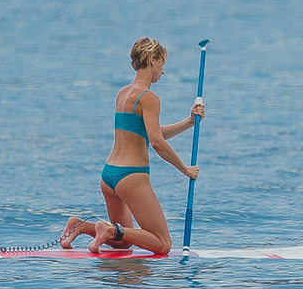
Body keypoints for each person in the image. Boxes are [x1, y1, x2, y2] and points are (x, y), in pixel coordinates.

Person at [59, 37, 203, 253]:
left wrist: (189, 122)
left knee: (124, 240)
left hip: (108, 175)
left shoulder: (123, 93)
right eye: (162, 64)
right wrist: (185, 170)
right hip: (131, 176)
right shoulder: (149, 97)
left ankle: (80, 226)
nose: (162, 72)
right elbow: (156, 142)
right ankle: (106, 230)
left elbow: (147, 133)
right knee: (162, 244)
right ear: (153, 60)